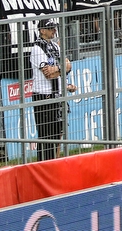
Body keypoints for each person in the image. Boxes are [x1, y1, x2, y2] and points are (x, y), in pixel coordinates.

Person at [30, 18, 75, 161]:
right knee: (46, 136)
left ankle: (55, 163)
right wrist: (63, 68)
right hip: (44, 96)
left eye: (55, 28)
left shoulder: (55, 47)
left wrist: (62, 71)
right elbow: (48, 73)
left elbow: (68, 64)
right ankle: (43, 165)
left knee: (58, 134)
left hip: (57, 94)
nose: (54, 31)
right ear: (42, 31)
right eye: (51, 29)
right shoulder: (37, 48)